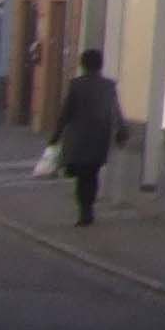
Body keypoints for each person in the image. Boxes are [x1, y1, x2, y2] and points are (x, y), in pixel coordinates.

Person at [50, 48, 126, 228]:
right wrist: (121, 131)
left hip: (79, 138)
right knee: (92, 173)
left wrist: (56, 135)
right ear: (100, 65)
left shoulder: (76, 85)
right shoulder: (109, 85)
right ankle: (88, 208)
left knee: (82, 175)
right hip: (100, 137)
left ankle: (85, 211)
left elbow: (66, 112)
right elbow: (115, 110)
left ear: (83, 64)